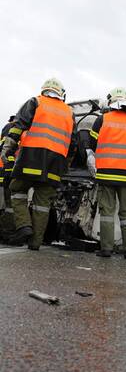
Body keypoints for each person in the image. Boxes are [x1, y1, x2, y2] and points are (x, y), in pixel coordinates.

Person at [0, 78, 76, 249]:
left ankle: (24, 226)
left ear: (44, 90)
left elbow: (18, 126)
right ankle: (35, 243)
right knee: (42, 203)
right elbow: (73, 144)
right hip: (55, 164)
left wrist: (7, 149)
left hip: (31, 158)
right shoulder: (69, 112)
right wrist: (67, 164)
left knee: (17, 189)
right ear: (61, 93)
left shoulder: (35, 102)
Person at [87, 87, 126, 259]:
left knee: (106, 212)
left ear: (111, 102)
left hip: (106, 174)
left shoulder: (101, 120)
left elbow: (92, 143)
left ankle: (106, 249)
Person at [0, 115, 17, 240]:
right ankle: (8, 229)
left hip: (6, 171)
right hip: (10, 171)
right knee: (9, 203)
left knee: (7, 203)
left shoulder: (8, 127)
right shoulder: (13, 127)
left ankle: (7, 229)